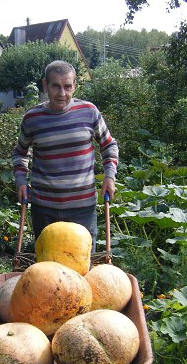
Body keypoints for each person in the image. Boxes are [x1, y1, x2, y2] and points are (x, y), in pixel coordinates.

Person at [11, 60, 119, 249]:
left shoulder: (89, 112)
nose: (62, 93)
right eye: (56, 86)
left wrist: (110, 176)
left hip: (82, 209)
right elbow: (20, 152)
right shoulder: (32, 118)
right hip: (44, 209)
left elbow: (109, 145)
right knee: (48, 265)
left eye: (68, 86)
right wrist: (20, 180)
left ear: (74, 85)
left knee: (82, 263)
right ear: (45, 85)